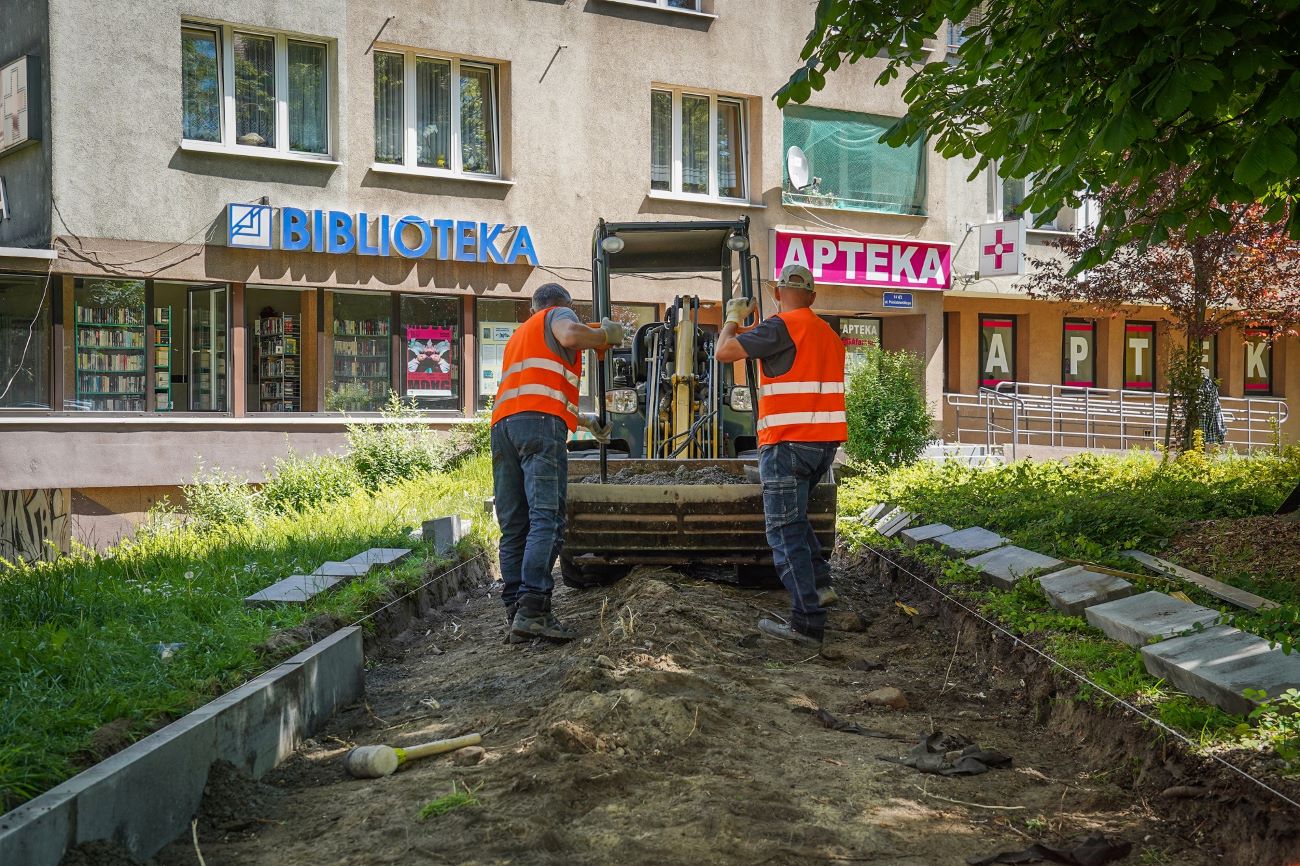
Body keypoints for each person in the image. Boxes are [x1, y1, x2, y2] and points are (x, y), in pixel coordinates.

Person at [714, 264, 847, 648]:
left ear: (776, 293)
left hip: (787, 442)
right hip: (823, 446)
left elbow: (725, 351)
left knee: (783, 531)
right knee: (797, 519)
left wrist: (731, 318)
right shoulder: (827, 334)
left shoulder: (779, 326)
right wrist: (747, 328)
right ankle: (820, 587)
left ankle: (807, 623)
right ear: (812, 296)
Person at [491, 283, 624, 643]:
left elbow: (535, 391)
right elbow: (570, 335)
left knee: (515, 524)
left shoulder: (520, 336)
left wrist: (584, 422)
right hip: (538, 426)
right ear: (559, 306)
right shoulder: (558, 315)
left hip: (504, 428)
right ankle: (534, 609)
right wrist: (601, 335)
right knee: (546, 518)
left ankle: (516, 610)